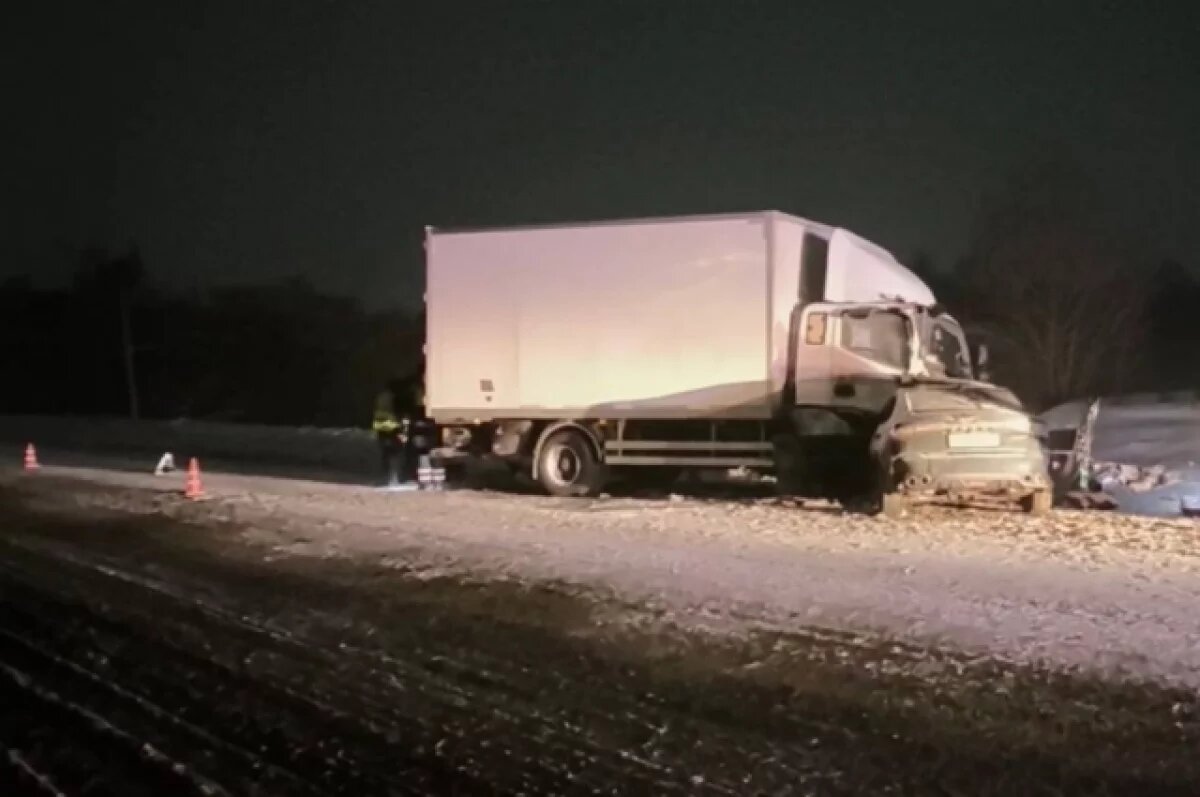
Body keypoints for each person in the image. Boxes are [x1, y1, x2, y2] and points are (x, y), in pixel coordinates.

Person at [372, 379, 409, 487]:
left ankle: (385, 478)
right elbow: (399, 412)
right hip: (392, 427)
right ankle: (394, 478)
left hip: (380, 427)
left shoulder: (380, 397)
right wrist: (403, 428)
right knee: (395, 454)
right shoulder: (395, 398)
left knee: (385, 454)